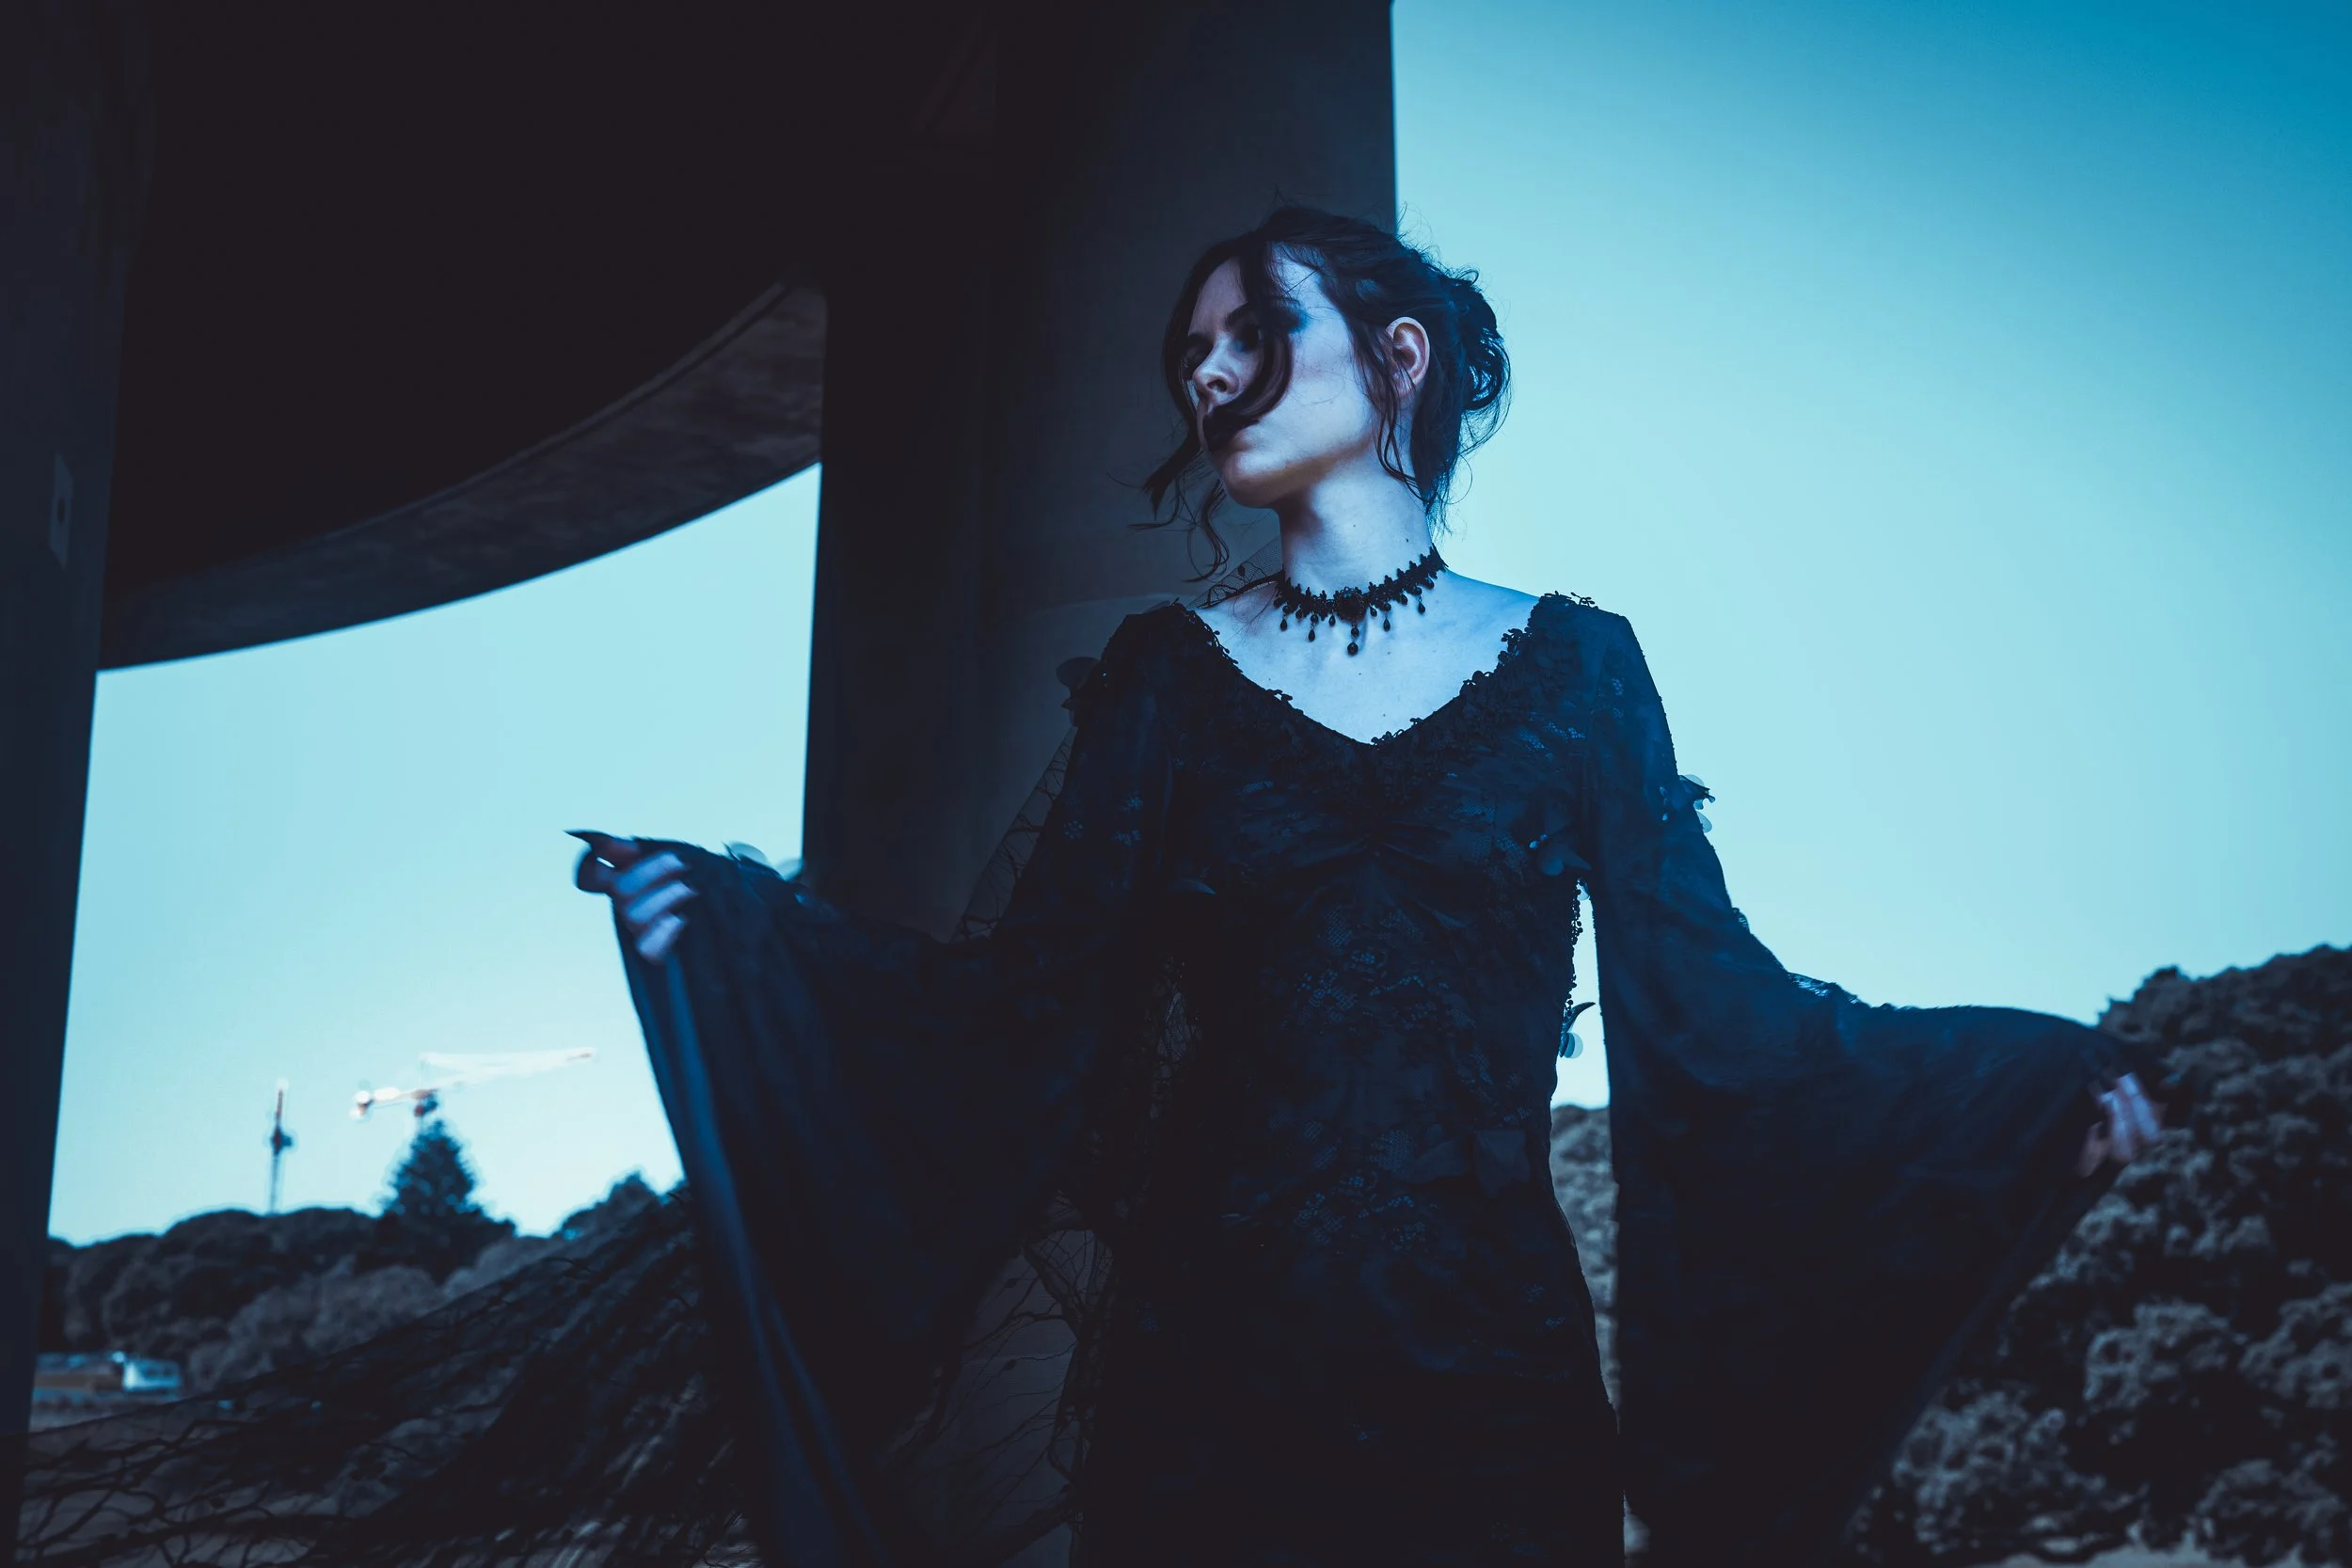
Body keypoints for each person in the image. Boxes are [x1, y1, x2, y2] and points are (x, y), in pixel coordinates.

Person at [575, 207, 2172, 1567]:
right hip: (1204, 1406)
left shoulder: (1580, 671)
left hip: (1495, 1398)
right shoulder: (1166, 683)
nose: (1204, 372)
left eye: (1252, 328)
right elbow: (1016, 1020)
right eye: (1188, 350)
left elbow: (1727, 1019)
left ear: (1397, 356)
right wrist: (735, 939)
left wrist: (2027, 1089)